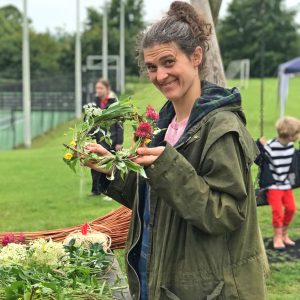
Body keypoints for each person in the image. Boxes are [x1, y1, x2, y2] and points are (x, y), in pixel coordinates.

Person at [84, 2, 268, 299]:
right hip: (157, 277)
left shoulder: (221, 128)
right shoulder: (163, 124)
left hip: (208, 288)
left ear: (196, 56)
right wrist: (114, 170)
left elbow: (226, 214)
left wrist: (168, 168)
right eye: (152, 67)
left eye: (169, 62)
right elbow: (156, 201)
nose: (160, 75)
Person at [260, 116, 300, 250]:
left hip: (286, 185)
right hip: (274, 186)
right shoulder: (271, 147)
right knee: (278, 211)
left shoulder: (290, 147)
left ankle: (284, 233)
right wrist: (262, 145)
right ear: (290, 135)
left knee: (291, 208)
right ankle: (277, 236)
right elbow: (262, 156)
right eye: (298, 133)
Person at [88, 78, 123, 196]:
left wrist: (119, 142)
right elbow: (91, 121)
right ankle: (96, 190)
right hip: (98, 139)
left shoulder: (114, 103)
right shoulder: (94, 103)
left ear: (107, 89)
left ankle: (109, 190)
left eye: (100, 88)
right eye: (97, 88)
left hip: (112, 140)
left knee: (110, 165)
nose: (98, 90)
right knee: (94, 164)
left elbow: (119, 124)